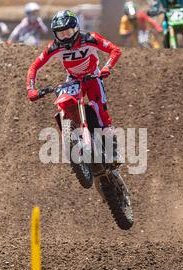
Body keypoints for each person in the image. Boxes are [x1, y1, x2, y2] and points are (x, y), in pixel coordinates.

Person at [26, 10, 122, 162]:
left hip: (92, 77)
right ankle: (74, 138)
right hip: (72, 80)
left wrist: (106, 68)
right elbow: (34, 66)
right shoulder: (54, 47)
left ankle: (113, 151)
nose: (65, 37)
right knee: (65, 107)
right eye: (61, 34)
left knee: (100, 110)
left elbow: (115, 50)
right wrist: (31, 89)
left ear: (76, 28)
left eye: (68, 32)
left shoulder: (90, 38)